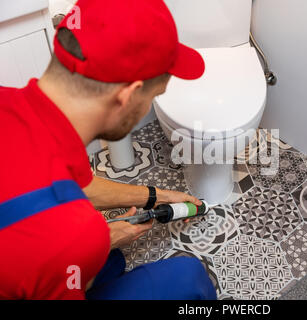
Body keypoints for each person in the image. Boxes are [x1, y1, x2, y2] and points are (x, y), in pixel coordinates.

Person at [0, 0, 216, 300]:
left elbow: (65, 186)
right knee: (187, 278)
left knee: (106, 259)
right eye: (155, 95)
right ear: (127, 96)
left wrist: (158, 196)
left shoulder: (11, 104)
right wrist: (89, 244)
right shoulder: (70, 239)